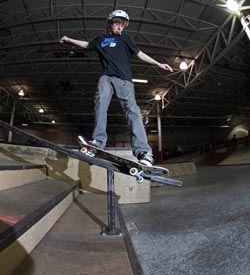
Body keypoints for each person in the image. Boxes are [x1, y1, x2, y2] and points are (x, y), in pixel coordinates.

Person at [59, 10, 173, 166]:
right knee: (100, 104)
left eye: (123, 24)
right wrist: (69, 39)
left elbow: (140, 54)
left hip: (124, 80)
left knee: (132, 110)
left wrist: (159, 63)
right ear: (110, 23)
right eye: (118, 23)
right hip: (106, 77)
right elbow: (87, 45)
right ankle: (97, 142)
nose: (120, 27)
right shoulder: (101, 38)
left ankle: (143, 151)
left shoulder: (126, 38)